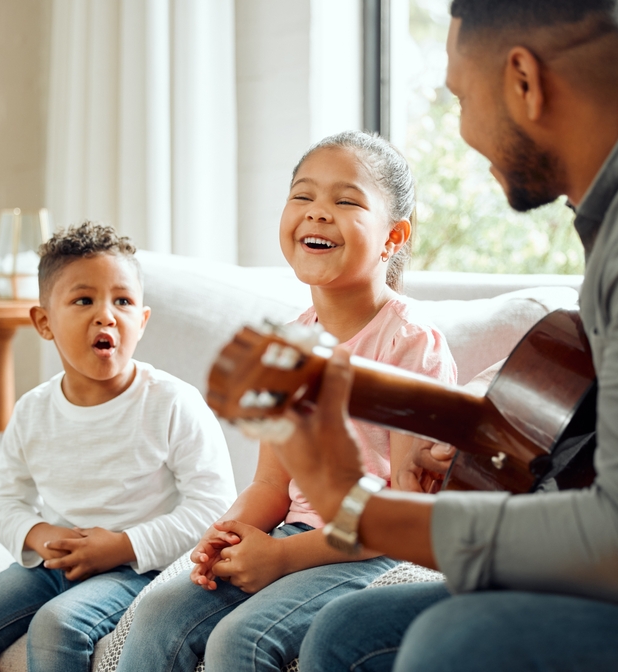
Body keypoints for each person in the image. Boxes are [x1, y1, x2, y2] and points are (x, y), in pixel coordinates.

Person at [267, 2, 618, 671]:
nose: (461, 128)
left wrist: (360, 512)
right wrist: (341, 388)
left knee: (453, 645)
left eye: (461, 96)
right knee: (347, 633)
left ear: (524, 80)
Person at [114, 131, 459, 672]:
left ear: (394, 236)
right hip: (292, 533)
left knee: (241, 642)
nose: (318, 214)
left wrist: (281, 558)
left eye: (345, 201)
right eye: (303, 196)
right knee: (157, 613)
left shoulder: (410, 342)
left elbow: (405, 509)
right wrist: (225, 535)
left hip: (368, 550)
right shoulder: (286, 346)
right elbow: (272, 485)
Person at [0, 222, 237, 672]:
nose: (106, 315)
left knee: (58, 626)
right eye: (83, 300)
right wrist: (42, 536)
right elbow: (4, 502)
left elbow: (214, 506)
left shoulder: (173, 402)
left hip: (139, 568)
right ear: (44, 322)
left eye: (123, 301)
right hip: (57, 560)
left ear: (142, 321)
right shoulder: (34, 410)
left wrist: (123, 545)